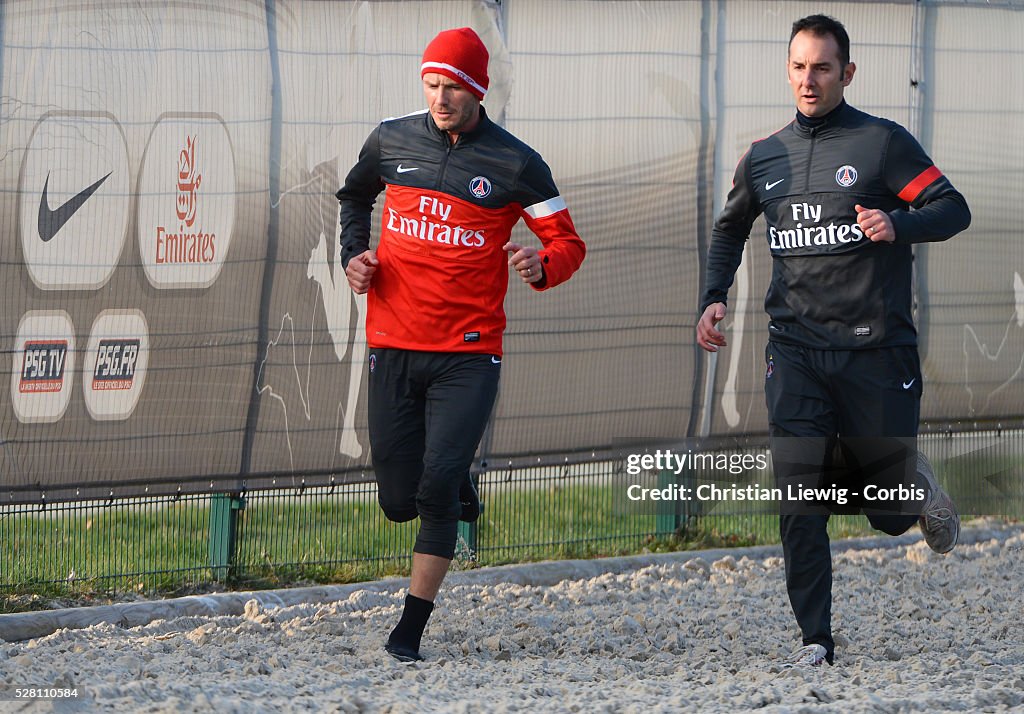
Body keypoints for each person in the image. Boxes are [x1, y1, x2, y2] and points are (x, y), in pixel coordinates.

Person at [696, 15, 970, 668]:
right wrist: (713, 296)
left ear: (846, 73)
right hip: (794, 354)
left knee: (887, 515)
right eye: (798, 67)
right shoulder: (764, 156)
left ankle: (913, 486)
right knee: (799, 496)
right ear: (787, 71)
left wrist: (897, 222)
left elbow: (952, 208)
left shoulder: (880, 145)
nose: (808, 80)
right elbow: (730, 229)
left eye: (822, 67)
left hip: (876, 351)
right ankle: (815, 639)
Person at [337, 27, 585, 663]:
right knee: (400, 498)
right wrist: (352, 257)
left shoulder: (516, 162)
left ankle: (408, 633)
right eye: (431, 85)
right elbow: (355, 194)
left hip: (469, 352)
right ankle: (455, 486)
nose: (441, 98)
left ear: (478, 90)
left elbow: (567, 241)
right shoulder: (390, 139)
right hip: (392, 341)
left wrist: (541, 264)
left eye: (454, 87)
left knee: (436, 488)